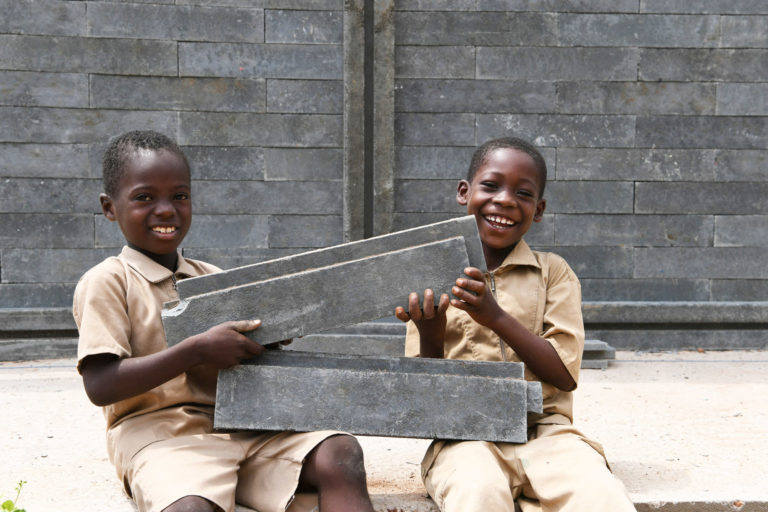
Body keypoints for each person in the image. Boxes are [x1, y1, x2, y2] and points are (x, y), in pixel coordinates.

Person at [73, 130, 374, 512]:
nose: (166, 210)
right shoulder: (108, 280)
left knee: (340, 453)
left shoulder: (210, 277)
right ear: (109, 207)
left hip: (243, 430)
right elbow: (100, 385)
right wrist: (196, 350)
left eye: (179, 196)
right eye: (144, 197)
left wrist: (264, 341)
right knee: (191, 507)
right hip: (161, 439)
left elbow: (240, 367)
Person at [394, 137, 635, 511]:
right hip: (464, 438)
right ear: (464, 191)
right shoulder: (432, 276)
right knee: (478, 493)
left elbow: (564, 373)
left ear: (538, 210)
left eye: (522, 194)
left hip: (547, 433)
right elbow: (424, 402)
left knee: (601, 497)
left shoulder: (554, 273)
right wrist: (430, 333)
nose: (505, 200)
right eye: (490, 185)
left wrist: (496, 317)